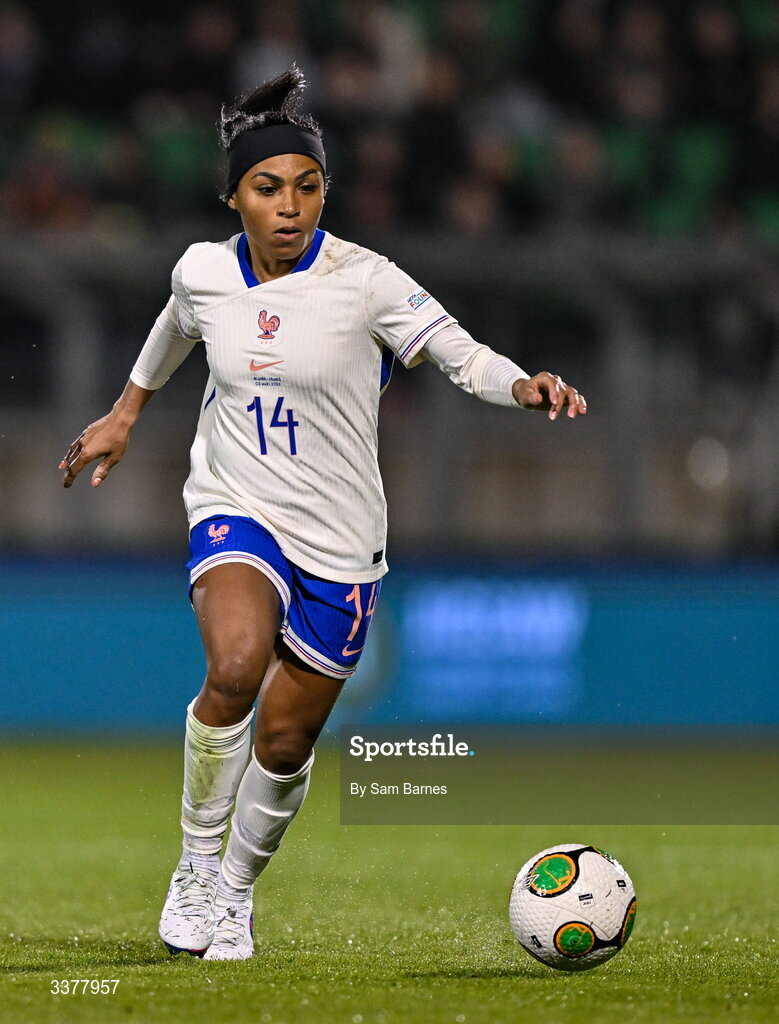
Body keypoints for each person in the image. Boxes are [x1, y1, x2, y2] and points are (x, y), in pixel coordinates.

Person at [59, 67, 587, 961]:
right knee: (232, 667)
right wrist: (124, 412)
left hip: (341, 540)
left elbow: (462, 357)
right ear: (234, 197)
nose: (289, 205)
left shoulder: (365, 280)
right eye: (268, 188)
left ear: (323, 193)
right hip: (234, 504)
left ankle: (234, 892)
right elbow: (175, 323)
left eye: (306, 187)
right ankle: (193, 867)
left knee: (286, 738)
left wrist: (524, 385)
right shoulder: (201, 271)